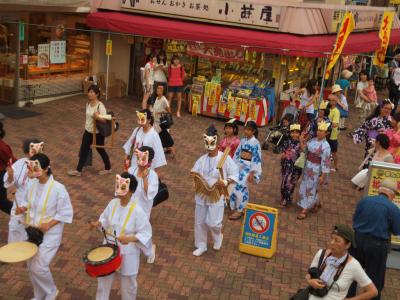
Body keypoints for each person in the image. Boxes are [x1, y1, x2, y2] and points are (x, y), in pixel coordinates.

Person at [16, 153, 73, 300]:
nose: (31, 171)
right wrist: (22, 208)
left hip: (50, 234)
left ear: (46, 168)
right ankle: (39, 294)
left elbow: (65, 213)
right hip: (33, 232)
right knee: (31, 266)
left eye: (35, 168)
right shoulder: (32, 184)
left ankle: (51, 291)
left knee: (39, 266)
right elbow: (28, 202)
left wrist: (49, 224)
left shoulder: (58, 188)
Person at [90, 172, 152, 300]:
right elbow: (105, 220)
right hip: (108, 250)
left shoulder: (138, 210)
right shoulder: (113, 203)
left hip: (128, 253)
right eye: (118, 185)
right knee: (103, 284)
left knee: (128, 286)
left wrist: (130, 239)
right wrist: (98, 223)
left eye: (123, 187)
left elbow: (146, 233)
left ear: (132, 191)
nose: (119, 190)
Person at [190, 125, 239, 256]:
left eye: (212, 143)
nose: (209, 147)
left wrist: (226, 181)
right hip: (202, 193)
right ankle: (201, 245)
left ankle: (218, 236)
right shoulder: (202, 159)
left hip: (217, 194)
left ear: (217, 144)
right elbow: (194, 171)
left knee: (213, 222)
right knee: (199, 221)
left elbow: (234, 173)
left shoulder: (224, 158)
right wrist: (196, 176)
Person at [347, 179, 400, 299]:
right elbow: (397, 231)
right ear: (391, 194)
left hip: (357, 240)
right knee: (375, 278)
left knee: (351, 273)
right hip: (377, 245)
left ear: (379, 190)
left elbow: (355, 219)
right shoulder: (393, 209)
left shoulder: (364, 201)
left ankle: (347, 297)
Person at [304, 225, 377, 300]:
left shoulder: (353, 265)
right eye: (332, 238)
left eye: (337, 240)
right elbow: (309, 274)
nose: (332, 243)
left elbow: (373, 291)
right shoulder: (321, 254)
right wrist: (310, 281)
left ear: (347, 245)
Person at [4, 140, 43, 243]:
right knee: (14, 227)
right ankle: (15, 253)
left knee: (33, 230)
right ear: (26, 152)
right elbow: (8, 182)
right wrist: (11, 175)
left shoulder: (43, 164)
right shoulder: (20, 163)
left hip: (35, 202)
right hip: (20, 200)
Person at [68, 85, 112, 177]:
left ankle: (108, 168)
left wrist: (98, 117)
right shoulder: (88, 104)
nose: (90, 94)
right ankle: (78, 170)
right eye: (89, 92)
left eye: (92, 92)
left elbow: (105, 120)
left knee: (100, 150)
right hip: (87, 131)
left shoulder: (100, 106)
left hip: (97, 134)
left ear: (97, 94)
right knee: (84, 150)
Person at [297, 121, 331, 220]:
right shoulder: (312, 140)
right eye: (318, 130)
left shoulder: (326, 147)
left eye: (321, 131)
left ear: (326, 133)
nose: (319, 132)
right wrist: (301, 141)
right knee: (305, 185)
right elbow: (304, 150)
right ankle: (316, 203)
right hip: (307, 167)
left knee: (311, 188)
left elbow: (326, 163)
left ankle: (305, 209)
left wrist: (322, 176)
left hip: (316, 169)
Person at [130, 146, 158, 264]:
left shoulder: (153, 176)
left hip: (143, 211)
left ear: (149, 161)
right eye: (138, 157)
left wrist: (145, 178)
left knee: (140, 236)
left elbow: (149, 194)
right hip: (129, 208)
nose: (140, 161)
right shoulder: (131, 171)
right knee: (128, 233)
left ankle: (150, 250)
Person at [229, 121, 262, 220]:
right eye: (245, 129)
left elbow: (257, 158)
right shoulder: (243, 141)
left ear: (254, 131)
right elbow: (237, 153)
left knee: (241, 186)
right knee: (234, 184)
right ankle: (240, 207)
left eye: (249, 130)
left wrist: (252, 172)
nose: (246, 132)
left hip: (248, 167)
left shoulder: (256, 143)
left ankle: (240, 210)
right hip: (239, 166)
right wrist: (233, 166)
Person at [123, 109, 167, 173]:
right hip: (134, 165)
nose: (140, 121)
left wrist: (155, 175)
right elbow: (130, 145)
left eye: (142, 119)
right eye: (139, 119)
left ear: (149, 120)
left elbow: (158, 156)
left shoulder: (154, 135)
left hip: (146, 169)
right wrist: (126, 160)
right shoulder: (137, 130)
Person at [352, 100, 393, 168]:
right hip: (374, 144)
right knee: (369, 165)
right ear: (380, 108)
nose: (388, 110)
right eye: (386, 108)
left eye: (389, 109)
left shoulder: (389, 120)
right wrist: (373, 142)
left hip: (384, 146)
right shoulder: (374, 120)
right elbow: (364, 128)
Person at [279, 124, 303, 207]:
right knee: (285, 182)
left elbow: (303, 152)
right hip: (286, 165)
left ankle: (287, 199)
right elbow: (283, 152)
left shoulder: (301, 144)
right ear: (290, 133)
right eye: (293, 132)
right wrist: (283, 155)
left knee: (291, 183)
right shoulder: (286, 142)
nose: (294, 134)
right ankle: (284, 196)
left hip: (296, 168)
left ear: (299, 134)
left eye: (297, 132)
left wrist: (301, 141)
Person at [151, 84, 174, 156]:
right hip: (155, 122)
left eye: (161, 89)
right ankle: (168, 149)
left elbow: (169, 112)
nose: (158, 90)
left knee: (159, 137)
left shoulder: (164, 100)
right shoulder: (157, 98)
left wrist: (160, 112)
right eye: (158, 88)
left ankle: (169, 149)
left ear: (163, 91)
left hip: (161, 123)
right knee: (162, 137)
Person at [0, 121, 16, 215]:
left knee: (1, 202)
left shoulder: (2, 146)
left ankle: (18, 214)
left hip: (1, 174)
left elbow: (10, 160)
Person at [327, 94, 340, 172]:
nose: (329, 101)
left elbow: (335, 124)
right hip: (326, 134)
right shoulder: (327, 108)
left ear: (335, 102)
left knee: (333, 152)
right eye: (328, 100)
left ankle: (335, 166)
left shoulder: (336, 111)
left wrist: (327, 121)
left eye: (331, 100)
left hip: (332, 135)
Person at [388, 49, 400, 114]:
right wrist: (393, 69)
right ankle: (388, 110)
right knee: (391, 98)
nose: (399, 56)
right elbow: (390, 70)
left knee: (396, 99)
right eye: (398, 55)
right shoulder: (393, 62)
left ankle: (392, 112)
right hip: (393, 83)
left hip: (399, 85)